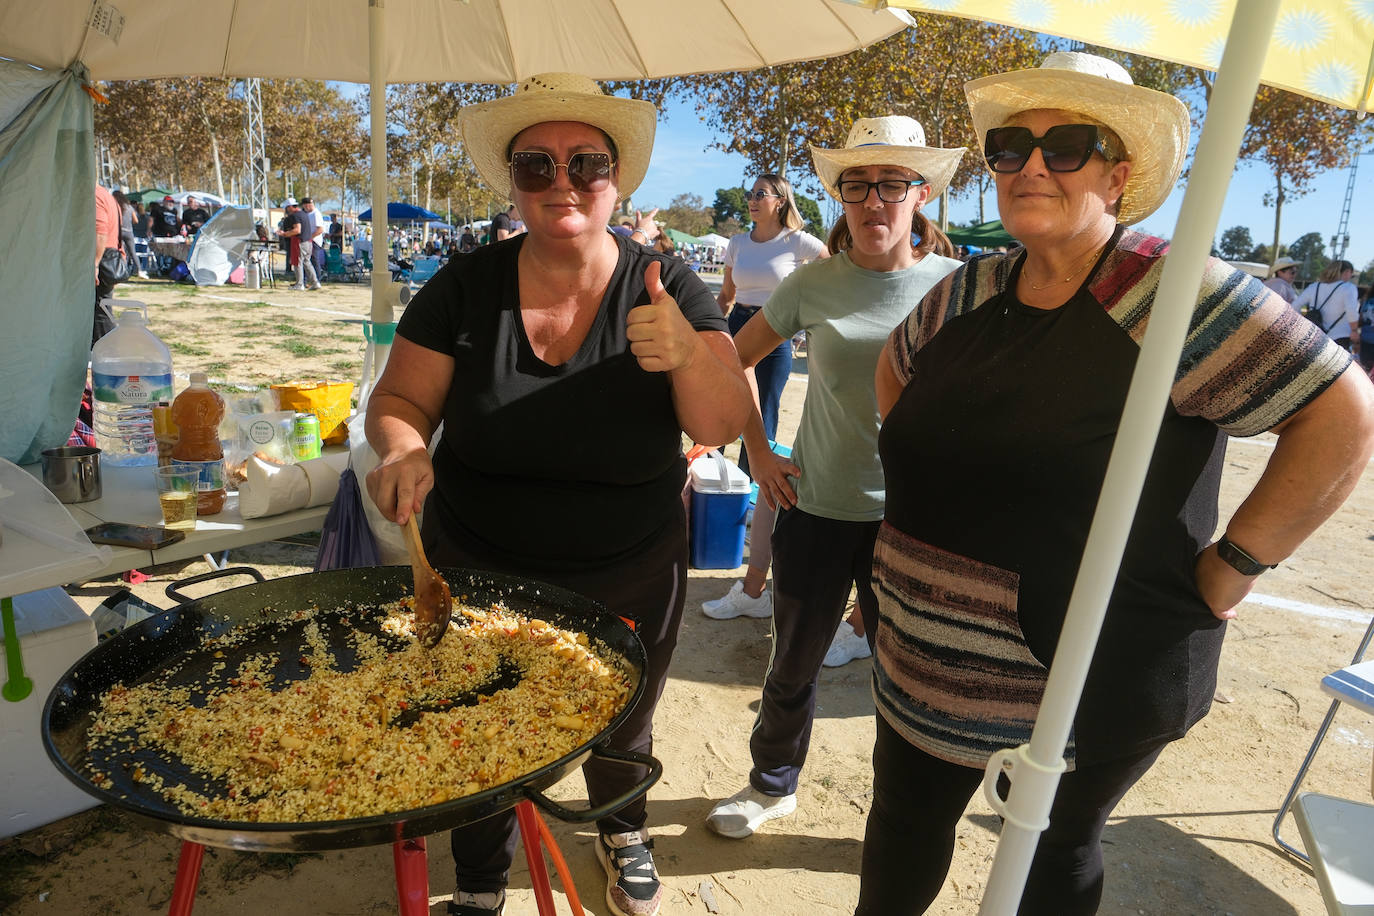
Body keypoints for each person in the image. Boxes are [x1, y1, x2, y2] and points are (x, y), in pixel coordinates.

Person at [863, 51, 1374, 915]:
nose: (1030, 166)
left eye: (1066, 145)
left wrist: (1235, 566)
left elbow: (1342, 416)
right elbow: (895, 379)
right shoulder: (968, 289)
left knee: (1052, 848)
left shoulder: (1173, 296)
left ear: (1119, 173)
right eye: (1009, 147)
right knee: (905, 825)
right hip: (918, 652)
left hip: (1086, 673)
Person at [363, 72, 751, 916]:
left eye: (588, 163)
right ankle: (476, 879)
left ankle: (621, 830)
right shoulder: (465, 286)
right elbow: (396, 404)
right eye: (536, 165)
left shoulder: (666, 285)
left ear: (620, 179)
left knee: (622, 719)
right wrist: (400, 449)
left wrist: (689, 356)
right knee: (475, 712)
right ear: (512, 180)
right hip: (474, 559)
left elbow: (727, 421)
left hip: (629, 562)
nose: (563, 183)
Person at [704, 116, 965, 841]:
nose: (873, 201)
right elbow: (733, 360)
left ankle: (899, 817)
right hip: (816, 503)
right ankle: (771, 784)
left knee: (906, 682)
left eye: (891, 184)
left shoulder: (956, 288)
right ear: (840, 197)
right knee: (793, 662)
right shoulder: (814, 281)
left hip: (913, 521)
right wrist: (758, 450)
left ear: (921, 194)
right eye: (857, 185)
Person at [701, 172, 827, 623]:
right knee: (727, 413)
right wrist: (707, 330)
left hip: (775, 335)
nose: (751, 200)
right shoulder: (737, 243)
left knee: (763, 416)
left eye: (760, 194)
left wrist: (811, 321)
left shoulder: (800, 243)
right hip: (736, 332)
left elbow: (836, 273)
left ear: (780, 201)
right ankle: (736, 496)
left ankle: (755, 503)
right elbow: (728, 296)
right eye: (749, 194)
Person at [1293, 258, 1359, 355]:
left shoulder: (1314, 286)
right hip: (1339, 337)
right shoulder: (1348, 288)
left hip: (1314, 336)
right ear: (1347, 272)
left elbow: (1294, 306)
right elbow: (1351, 312)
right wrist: (1354, 330)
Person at [93, 184, 122, 344]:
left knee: (100, 310)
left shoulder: (95, 195)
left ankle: (106, 351)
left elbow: (100, 232)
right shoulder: (106, 194)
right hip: (109, 256)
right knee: (102, 307)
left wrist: (95, 263)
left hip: (102, 258)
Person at [112, 190, 147, 280]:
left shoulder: (116, 206)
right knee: (132, 252)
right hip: (129, 232)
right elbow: (136, 221)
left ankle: (121, 270)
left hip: (119, 231)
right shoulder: (130, 207)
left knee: (119, 251)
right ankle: (140, 270)